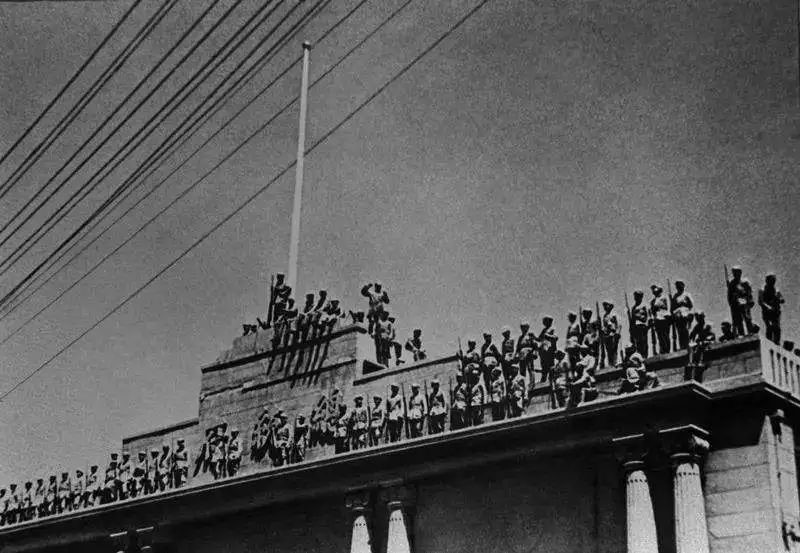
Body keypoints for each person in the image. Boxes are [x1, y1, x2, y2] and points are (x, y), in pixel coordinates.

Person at [728, 266, 756, 336]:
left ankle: (750, 332)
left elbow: (749, 293)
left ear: (740, 273)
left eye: (737, 272)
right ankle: (741, 334)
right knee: (738, 321)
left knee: (747, 318)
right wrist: (731, 303)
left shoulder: (745, 282)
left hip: (744, 303)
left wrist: (750, 301)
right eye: (734, 273)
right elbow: (729, 295)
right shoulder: (732, 283)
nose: (735, 274)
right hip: (736, 304)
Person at [759, 273, 785, 345]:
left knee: (777, 328)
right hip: (767, 312)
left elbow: (782, 299)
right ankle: (769, 343)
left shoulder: (776, 290)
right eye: (771, 280)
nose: (772, 282)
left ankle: (777, 343)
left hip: (776, 312)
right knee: (769, 327)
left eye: (773, 281)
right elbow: (761, 301)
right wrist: (768, 307)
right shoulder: (762, 290)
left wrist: (779, 299)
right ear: (767, 281)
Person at [671, 280, 694, 349]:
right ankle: (682, 346)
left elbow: (691, 305)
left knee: (685, 330)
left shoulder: (687, 294)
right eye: (677, 286)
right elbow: (673, 307)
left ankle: (687, 344)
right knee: (680, 331)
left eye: (680, 285)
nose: (678, 287)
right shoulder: (675, 296)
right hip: (678, 315)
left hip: (685, 314)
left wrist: (690, 314)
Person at [650, 285, 671, 354]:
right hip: (657, 319)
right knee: (660, 336)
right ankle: (662, 350)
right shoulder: (653, 301)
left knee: (665, 335)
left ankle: (667, 350)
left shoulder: (664, 297)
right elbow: (652, 311)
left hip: (664, 318)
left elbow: (668, 306)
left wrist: (668, 315)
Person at [537, 316, 558, 382]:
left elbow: (555, 337)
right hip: (543, 351)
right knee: (544, 367)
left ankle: (551, 381)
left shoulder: (552, 329)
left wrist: (548, 336)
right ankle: (543, 381)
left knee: (551, 367)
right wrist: (533, 337)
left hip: (550, 350)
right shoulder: (544, 330)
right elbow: (539, 339)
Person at [630, 291, 650, 358]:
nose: (636, 298)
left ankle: (645, 355)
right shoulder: (633, 308)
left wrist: (648, 324)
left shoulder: (644, 305)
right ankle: (640, 356)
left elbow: (648, 315)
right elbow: (632, 319)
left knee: (644, 341)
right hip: (636, 326)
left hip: (642, 325)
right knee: (638, 342)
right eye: (635, 296)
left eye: (638, 296)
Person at [600, 302, 621, 366]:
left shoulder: (614, 314)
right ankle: (610, 363)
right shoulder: (605, 316)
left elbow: (618, 324)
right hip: (607, 334)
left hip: (613, 333)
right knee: (608, 351)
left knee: (614, 349)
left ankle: (615, 362)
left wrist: (617, 333)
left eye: (606, 305)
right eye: (604, 306)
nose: (605, 307)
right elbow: (604, 325)